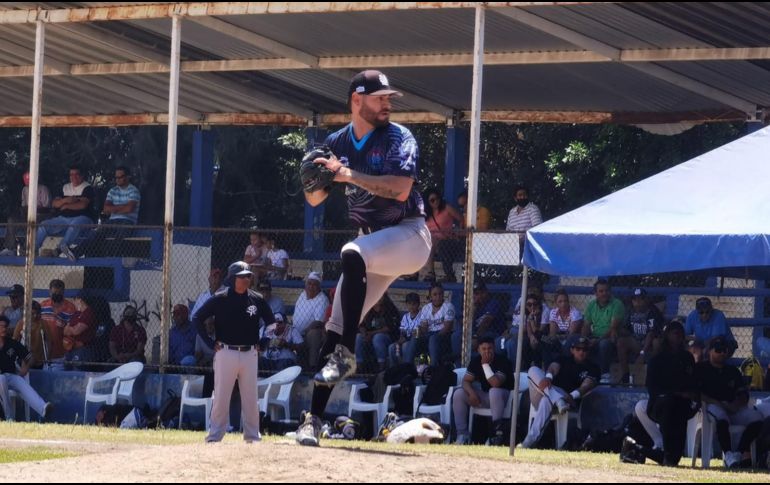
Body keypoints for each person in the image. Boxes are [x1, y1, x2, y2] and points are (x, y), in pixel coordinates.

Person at [295, 69, 431, 447]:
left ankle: (347, 354)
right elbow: (315, 198)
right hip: (371, 247)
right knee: (335, 327)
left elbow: (401, 190)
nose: (387, 103)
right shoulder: (337, 141)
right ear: (357, 100)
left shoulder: (398, 137)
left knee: (351, 255)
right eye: (380, 97)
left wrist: (346, 174)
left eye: (389, 97)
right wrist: (314, 180)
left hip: (409, 236)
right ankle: (313, 421)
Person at [192, 261, 274, 443]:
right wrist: (209, 342)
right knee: (221, 396)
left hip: (250, 353)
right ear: (233, 279)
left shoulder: (256, 298)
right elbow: (197, 317)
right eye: (242, 276)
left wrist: (265, 342)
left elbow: (272, 323)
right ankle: (215, 436)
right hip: (225, 352)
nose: (246, 279)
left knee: (251, 398)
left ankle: (252, 436)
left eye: (248, 276)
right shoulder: (220, 298)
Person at [632, 319, 698, 467]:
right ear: (667, 335)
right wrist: (676, 393)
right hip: (661, 404)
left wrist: (688, 394)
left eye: (681, 334)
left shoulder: (687, 358)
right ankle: (664, 450)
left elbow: (692, 382)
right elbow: (653, 387)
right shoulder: (657, 359)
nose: (679, 337)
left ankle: (649, 451)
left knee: (675, 458)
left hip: (682, 404)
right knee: (668, 403)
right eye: (675, 333)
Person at [695, 335, 764, 468]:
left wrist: (735, 405)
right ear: (709, 351)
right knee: (721, 416)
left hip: (732, 407)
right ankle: (727, 454)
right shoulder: (701, 369)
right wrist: (719, 404)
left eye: (725, 350)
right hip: (710, 406)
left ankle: (738, 452)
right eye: (718, 350)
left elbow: (743, 394)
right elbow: (697, 393)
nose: (722, 353)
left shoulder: (732, 371)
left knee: (757, 417)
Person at [520, 336, 599, 449]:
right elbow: (553, 368)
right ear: (572, 350)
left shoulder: (593, 367)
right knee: (533, 370)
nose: (581, 352)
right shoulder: (563, 359)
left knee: (546, 400)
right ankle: (557, 399)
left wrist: (570, 396)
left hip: (568, 400)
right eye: (578, 349)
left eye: (584, 350)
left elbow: (586, 386)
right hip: (547, 392)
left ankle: (528, 443)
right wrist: (548, 377)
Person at [452, 335, 514, 446]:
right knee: (459, 393)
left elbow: (496, 383)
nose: (487, 352)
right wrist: (471, 393)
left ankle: (496, 435)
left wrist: (485, 365)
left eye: (489, 348)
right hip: (486, 396)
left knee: (494, 391)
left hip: (504, 398)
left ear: (494, 348)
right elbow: (465, 381)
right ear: (479, 350)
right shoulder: (476, 361)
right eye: (484, 349)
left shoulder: (503, 361)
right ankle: (462, 435)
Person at [71, 166, 141, 260]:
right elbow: (106, 209)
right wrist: (122, 207)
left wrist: (114, 208)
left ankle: (114, 260)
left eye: (120, 177)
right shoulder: (112, 191)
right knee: (95, 234)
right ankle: (75, 253)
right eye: (116, 177)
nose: (117, 179)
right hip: (112, 220)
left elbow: (129, 209)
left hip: (127, 221)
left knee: (119, 239)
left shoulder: (134, 191)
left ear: (128, 177)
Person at [0, 316, 53, 421]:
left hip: (10, 375)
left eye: (5, 326)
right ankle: (8, 417)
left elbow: (30, 357)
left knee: (21, 382)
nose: (4, 329)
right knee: (1, 379)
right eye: (1, 326)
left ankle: (43, 408)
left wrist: (25, 368)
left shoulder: (12, 343)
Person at [35, 165, 95, 259]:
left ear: (82, 175)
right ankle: (33, 250)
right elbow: (55, 204)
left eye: (77, 174)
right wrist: (66, 200)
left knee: (75, 225)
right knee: (43, 225)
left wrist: (66, 205)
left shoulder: (87, 188)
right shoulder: (65, 187)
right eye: (71, 174)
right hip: (63, 219)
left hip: (82, 218)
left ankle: (59, 250)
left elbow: (82, 205)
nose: (74, 177)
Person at [616, 288, 664, 385]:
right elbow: (625, 328)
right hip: (636, 341)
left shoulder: (653, 311)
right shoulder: (630, 310)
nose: (637, 302)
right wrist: (621, 331)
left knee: (657, 343)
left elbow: (652, 333)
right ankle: (626, 376)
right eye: (635, 299)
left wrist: (642, 353)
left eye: (640, 299)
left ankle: (653, 375)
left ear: (646, 300)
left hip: (649, 343)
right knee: (621, 342)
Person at [582, 279, 625, 381]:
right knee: (574, 341)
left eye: (606, 290)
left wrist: (597, 340)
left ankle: (604, 374)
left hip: (611, 337)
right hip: (594, 336)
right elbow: (586, 325)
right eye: (601, 291)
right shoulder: (591, 305)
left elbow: (613, 328)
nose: (604, 293)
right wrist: (584, 339)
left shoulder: (617, 304)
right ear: (596, 293)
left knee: (603, 344)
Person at [2, 171, 52, 256]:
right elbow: (24, 205)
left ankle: (27, 250)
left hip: (41, 217)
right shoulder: (25, 189)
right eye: (27, 182)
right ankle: (10, 248)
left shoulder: (43, 189)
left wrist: (33, 209)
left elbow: (47, 209)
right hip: (27, 216)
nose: (28, 184)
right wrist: (23, 210)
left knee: (33, 223)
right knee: (12, 220)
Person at [423, 188, 464, 283]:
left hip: (446, 240)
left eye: (437, 198)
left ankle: (431, 273)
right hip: (430, 242)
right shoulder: (426, 214)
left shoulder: (446, 208)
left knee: (433, 241)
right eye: (432, 200)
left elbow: (461, 219)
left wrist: (459, 232)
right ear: (428, 202)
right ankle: (413, 274)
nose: (436, 201)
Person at [292, 272, 330, 369]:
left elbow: (318, 322)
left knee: (314, 334)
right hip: (296, 330)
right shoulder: (302, 295)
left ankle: (312, 367)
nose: (311, 287)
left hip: (310, 332)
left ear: (319, 287)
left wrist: (304, 331)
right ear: (305, 284)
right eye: (309, 283)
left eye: (314, 284)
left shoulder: (322, 299)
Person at [355, 294, 399, 373]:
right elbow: (361, 325)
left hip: (387, 338)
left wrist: (371, 334)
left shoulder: (389, 307)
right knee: (358, 337)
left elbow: (389, 328)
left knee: (378, 338)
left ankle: (381, 366)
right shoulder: (368, 308)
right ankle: (359, 366)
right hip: (370, 336)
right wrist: (364, 334)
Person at [416, 282, 456, 368]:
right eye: (435, 294)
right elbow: (424, 327)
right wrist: (420, 330)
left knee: (433, 339)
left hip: (444, 336)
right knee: (414, 340)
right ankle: (409, 368)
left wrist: (431, 336)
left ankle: (433, 368)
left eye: (440, 294)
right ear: (430, 296)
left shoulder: (448, 306)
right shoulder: (426, 308)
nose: (438, 297)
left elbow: (447, 328)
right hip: (429, 334)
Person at [39, 279, 77, 362]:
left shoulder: (71, 308)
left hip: (61, 354)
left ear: (63, 292)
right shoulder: (43, 306)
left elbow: (73, 330)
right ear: (49, 292)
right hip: (43, 352)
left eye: (59, 293)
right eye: (54, 293)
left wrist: (63, 326)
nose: (56, 295)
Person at [505, 185, 542, 255]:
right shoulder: (512, 212)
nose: (522, 197)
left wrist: (522, 240)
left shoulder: (533, 209)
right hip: (512, 247)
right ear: (515, 198)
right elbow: (508, 231)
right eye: (520, 195)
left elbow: (537, 229)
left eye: (524, 195)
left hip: (528, 246)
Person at [12, 301, 50, 369]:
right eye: (32, 313)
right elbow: (14, 342)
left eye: (37, 313)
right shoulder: (21, 323)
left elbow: (49, 342)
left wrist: (47, 358)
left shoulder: (43, 323)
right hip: (24, 360)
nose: (35, 316)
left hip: (39, 360)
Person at [389, 292, 422, 366]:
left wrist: (404, 340)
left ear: (418, 304)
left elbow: (417, 334)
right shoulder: (405, 317)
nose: (411, 306)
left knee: (405, 345)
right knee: (392, 347)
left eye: (414, 304)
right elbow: (402, 333)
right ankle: (394, 369)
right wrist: (399, 342)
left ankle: (406, 368)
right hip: (404, 340)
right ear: (406, 304)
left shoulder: (422, 315)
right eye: (409, 304)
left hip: (416, 342)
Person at [62, 297, 97, 367]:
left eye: (74, 301)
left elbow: (76, 331)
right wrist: (72, 328)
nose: (74, 304)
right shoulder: (77, 313)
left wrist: (71, 329)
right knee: (66, 367)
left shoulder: (88, 312)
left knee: (77, 369)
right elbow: (65, 331)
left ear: (80, 300)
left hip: (82, 349)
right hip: (71, 348)